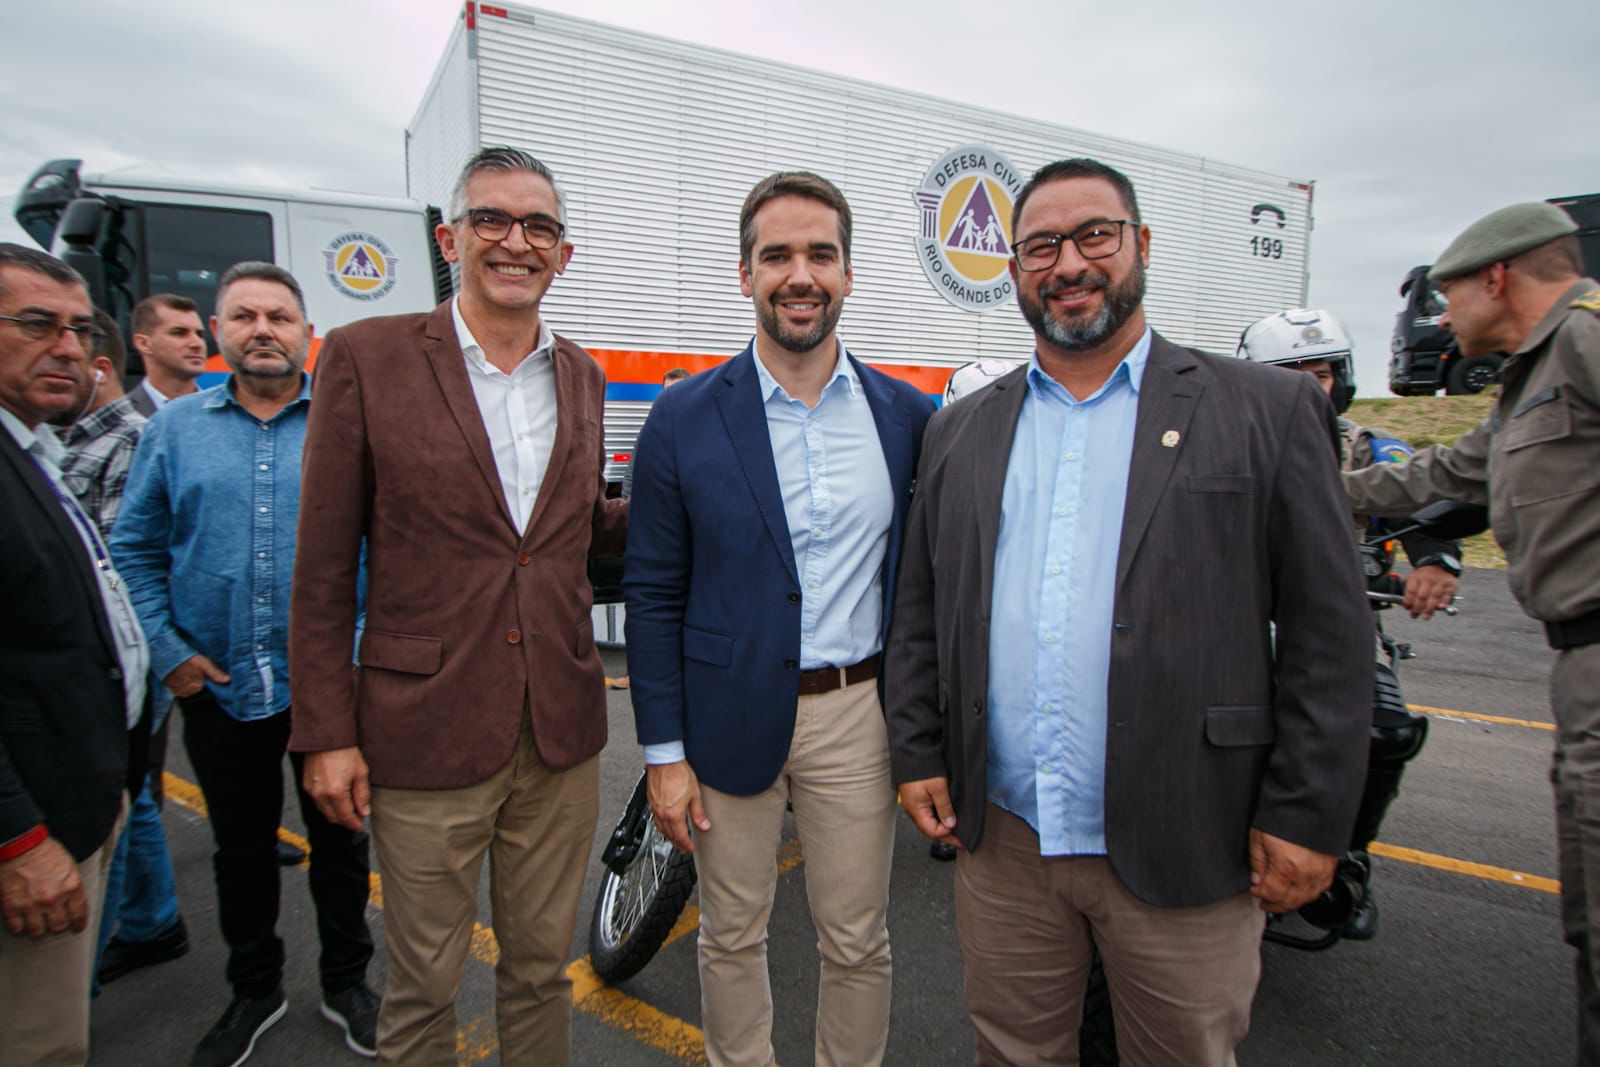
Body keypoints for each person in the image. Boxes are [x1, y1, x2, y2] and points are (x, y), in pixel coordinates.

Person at [883, 159, 1372, 1065]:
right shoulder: (961, 427)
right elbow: (923, 602)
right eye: (1040, 246)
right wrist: (916, 749)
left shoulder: (1265, 409)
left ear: (1141, 245)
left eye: (1093, 236)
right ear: (1015, 269)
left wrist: (1308, 813)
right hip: (1008, 842)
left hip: (1187, 835)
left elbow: (1330, 632)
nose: (1068, 263)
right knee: (1013, 1050)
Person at [290, 146, 626, 1066]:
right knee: (424, 985)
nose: (516, 242)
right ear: (449, 237)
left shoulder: (583, 377)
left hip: (558, 732)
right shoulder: (367, 357)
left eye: (540, 227)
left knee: (538, 975)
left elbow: (570, 532)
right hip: (423, 732)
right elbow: (321, 566)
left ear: (565, 253)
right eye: (493, 220)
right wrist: (325, 730)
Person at [626, 171, 935, 1067]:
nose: (800, 274)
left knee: (858, 938)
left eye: (820, 254)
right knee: (729, 932)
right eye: (778, 256)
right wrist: (663, 754)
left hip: (857, 715)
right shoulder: (683, 417)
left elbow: (925, 584)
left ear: (848, 272)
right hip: (725, 718)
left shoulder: (909, 418)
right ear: (744, 273)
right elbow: (651, 591)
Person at [1342, 201, 1600, 1063]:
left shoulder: (1589, 343)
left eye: (1448, 293)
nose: (1443, 316)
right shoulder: (1534, 374)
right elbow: (1439, 474)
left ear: (1499, 276)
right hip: (1574, 662)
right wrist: (1301, 480)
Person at [111, 262, 378, 1066]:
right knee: (240, 851)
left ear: (306, 332)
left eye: (280, 316)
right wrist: (171, 655)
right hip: (218, 686)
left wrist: (361, 653)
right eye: (244, 316)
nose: (263, 329)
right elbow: (133, 546)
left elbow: (389, 549)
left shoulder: (346, 425)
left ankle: (346, 983)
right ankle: (254, 988)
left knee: (342, 843)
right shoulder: (174, 431)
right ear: (220, 332)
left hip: (328, 687)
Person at [1237, 306, 1457, 940]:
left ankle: (1346, 850)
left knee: (1383, 729)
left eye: (1324, 372)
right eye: (1295, 373)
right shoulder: (1232, 440)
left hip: (1344, 627)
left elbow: (1426, 493)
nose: (1315, 387)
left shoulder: (1365, 446)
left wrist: (1435, 562)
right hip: (1247, 624)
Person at [0, 242, 150, 1065]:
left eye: (78, 328)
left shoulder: (33, 452)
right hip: (33, 833)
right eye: (35, 324)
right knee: (38, 1043)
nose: (67, 348)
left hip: (77, 802)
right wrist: (18, 839)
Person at [46, 311, 190, 986]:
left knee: (127, 791)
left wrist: (165, 650)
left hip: (113, 665)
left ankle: (144, 919)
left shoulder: (134, 437)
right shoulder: (52, 446)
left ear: (98, 363)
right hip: (115, 664)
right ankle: (150, 916)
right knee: (134, 795)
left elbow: (127, 558)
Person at [609, 366, 691, 693]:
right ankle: (636, 674)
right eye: (666, 391)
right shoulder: (652, 430)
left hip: (689, 537)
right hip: (655, 536)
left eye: (678, 390)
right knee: (645, 606)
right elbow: (631, 477)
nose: (670, 398)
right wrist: (631, 514)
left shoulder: (706, 433)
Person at [127, 293, 207, 416]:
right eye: (179, 333)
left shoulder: (228, 413)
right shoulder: (122, 416)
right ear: (144, 344)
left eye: (200, 335)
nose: (197, 344)